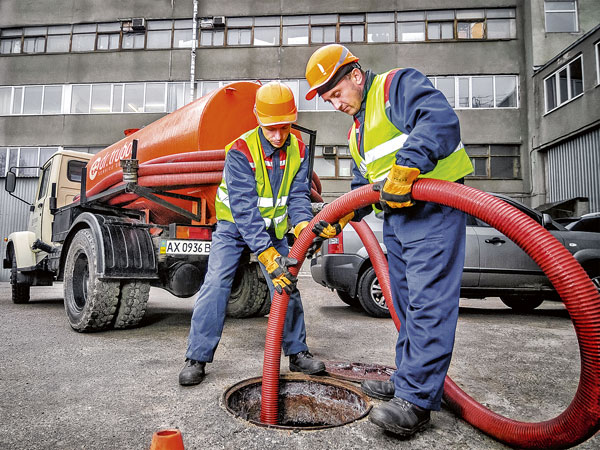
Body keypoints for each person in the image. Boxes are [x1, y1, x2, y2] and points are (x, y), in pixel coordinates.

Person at [303, 44, 473, 437]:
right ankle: (408, 379)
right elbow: (362, 188)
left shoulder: (396, 86)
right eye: (328, 100)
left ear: (356, 76)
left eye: (337, 93)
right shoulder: (356, 134)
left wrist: (409, 164)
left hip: (435, 210)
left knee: (429, 303)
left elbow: (440, 122)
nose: (336, 104)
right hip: (398, 220)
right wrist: (338, 215)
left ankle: (416, 401)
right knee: (407, 304)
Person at [179, 81, 325, 386]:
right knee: (217, 282)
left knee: (286, 282)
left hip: (273, 228)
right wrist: (267, 254)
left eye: (283, 127)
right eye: (270, 128)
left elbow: (299, 196)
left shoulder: (299, 149)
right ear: (258, 120)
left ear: (291, 121)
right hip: (234, 226)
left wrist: (301, 227)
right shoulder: (240, 150)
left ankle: (297, 352)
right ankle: (197, 357)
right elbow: (244, 210)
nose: (277, 135)